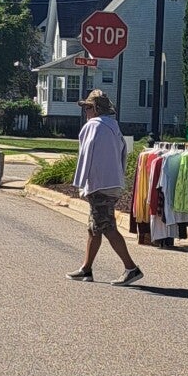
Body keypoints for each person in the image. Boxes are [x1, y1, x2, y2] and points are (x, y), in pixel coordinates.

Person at [69, 89, 143, 285]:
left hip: (99, 184)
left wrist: (80, 181)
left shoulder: (93, 126)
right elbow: (123, 153)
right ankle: (86, 268)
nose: (85, 112)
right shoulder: (113, 126)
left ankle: (131, 268)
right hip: (112, 182)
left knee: (107, 227)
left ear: (95, 108)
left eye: (87, 108)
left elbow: (86, 155)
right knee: (94, 228)